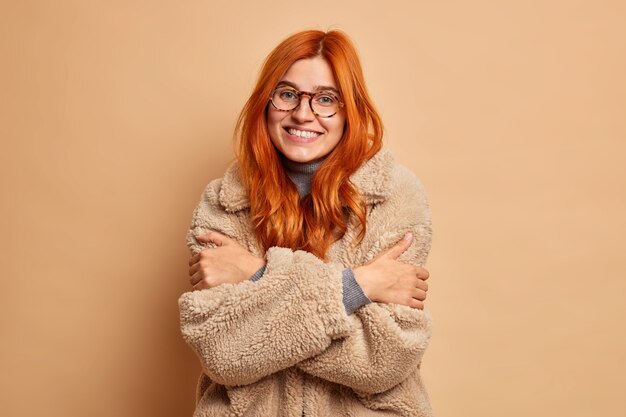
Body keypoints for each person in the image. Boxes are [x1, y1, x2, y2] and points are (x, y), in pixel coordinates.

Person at [180, 29, 434, 417]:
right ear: (266, 103)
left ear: (350, 109)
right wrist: (358, 286)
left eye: (326, 99)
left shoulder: (394, 193)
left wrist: (255, 277)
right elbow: (224, 354)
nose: (303, 113)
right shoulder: (223, 202)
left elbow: (384, 359)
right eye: (287, 94)